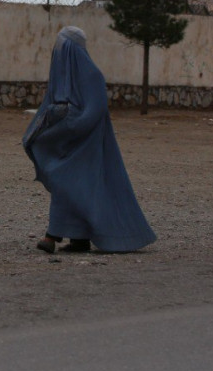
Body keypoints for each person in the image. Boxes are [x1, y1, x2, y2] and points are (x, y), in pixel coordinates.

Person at [22, 26, 156, 254]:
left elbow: (93, 112)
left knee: (65, 182)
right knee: (71, 186)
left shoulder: (92, 75)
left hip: (86, 145)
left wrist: (68, 122)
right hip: (68, 142)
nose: (58, 51)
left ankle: (51, 236)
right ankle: (79, 238)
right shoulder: (62, 77)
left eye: (62, 47)